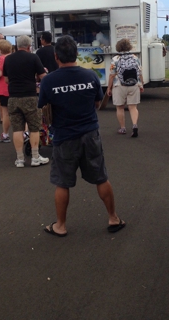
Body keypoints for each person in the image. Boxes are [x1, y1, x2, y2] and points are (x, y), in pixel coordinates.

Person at [38, 36, 125, 237]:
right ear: (76, 54)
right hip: (90, 133)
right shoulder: (90, 76)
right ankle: (113, 218)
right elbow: (97, 103)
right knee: (101, 177)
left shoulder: (49, 81)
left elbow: (43, 107)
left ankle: (61, 225)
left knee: (62, 182)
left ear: (56, 56)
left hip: (64, 136)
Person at [2, 34, 48, 168]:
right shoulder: (33, 57)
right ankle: (35, 157)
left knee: (17, 129)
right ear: (29, 46)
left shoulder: (8, 59)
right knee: (34, 128)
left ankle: (20, 159)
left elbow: (6, 79)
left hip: (13, 97)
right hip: (30, 96)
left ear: (16, 45)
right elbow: (43, 76)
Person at [107, 38, 144, 137]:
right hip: (134, 84)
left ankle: (123, 128)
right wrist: (141, 84)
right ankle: (135, 125)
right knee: (133, 107)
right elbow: (139, 73)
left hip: (119, 85)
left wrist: (109, 88)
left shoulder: (115, 59)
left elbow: (112, 75)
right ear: (129, 46)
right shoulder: (135, 58)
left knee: (120, 107)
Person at [0, 39, 13, 143]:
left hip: (4, 89)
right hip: (16, 88)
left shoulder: (1, 59)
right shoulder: (14, 58)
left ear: (0, 50)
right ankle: (25, 133)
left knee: (6, 113)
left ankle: (5, 134)